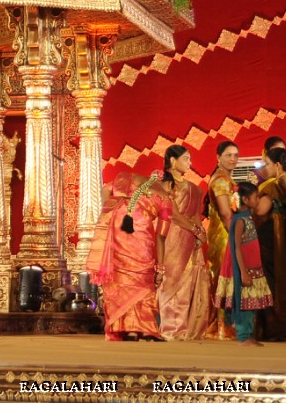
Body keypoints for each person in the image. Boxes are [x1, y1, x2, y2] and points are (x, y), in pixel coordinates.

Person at [88, 172, 170, 341]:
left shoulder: (130, 178)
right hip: (140, 232)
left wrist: (109, 208)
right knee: (142, 279)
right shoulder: (167, 199)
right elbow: (161, 236)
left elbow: (105, 188)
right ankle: (144, 329)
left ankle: (125, 328)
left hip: (118, 223)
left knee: (121, 277)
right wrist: (160, 269)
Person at [157, 146, 213, 340]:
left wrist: (200, 234)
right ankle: (171, 329)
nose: (190, 163)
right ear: (173, 161)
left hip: (190, 237)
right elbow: (172, 213)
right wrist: (194, 229)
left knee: (188, 283)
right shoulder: (164, 185)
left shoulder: (193, 189)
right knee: (171, 281)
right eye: (186, 159)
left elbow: (196, 215)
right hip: (172, 236)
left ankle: (186, 329)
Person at [255, 146, 286, 341]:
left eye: (267, 164)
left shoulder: (272, 186)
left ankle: (276, 328)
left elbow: (260, 211)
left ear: (277, 165)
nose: (264, 168)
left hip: (271, 241)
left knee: (271, 282)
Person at [215, 181, 272, 346]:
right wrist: (243, 272)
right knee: (244, 304)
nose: (258, 200)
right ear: (246, 200)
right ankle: (243, 336)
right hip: (244, 268)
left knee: (251, 303)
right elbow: (236, 247)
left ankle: (248, 335)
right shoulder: (239, 220)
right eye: (256, 197)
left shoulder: (248, 218)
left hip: (253, 267)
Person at [203, 141, 241, 340]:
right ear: (218, 157)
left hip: (224, 234)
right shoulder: (220, 181)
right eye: (228, 155)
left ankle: (224, 325)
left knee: (225, 278)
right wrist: (237, 238)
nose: (233, 159)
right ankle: (221, 327)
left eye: (236, 155)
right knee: (223, 278)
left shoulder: (225, 178)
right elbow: (227, 214)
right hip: (224, 236)